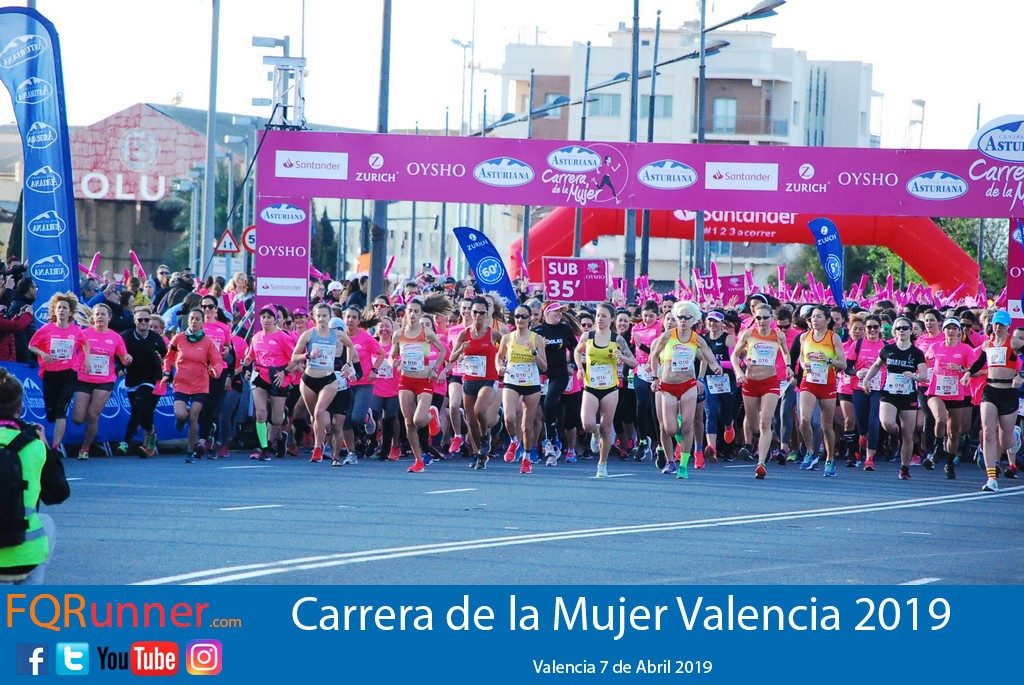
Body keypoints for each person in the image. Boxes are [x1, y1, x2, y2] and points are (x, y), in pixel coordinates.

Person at [0, 368, 70, 584]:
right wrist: (46, 447)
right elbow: (58, 494)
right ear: (20, 408)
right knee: (46, 522)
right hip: (23, 558)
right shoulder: (34, 445)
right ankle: (27, 607)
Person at [649, 301, 720, 479]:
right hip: (668, 386)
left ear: (693, 320)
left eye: (687, 318)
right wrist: (656, 377)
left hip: (688, 385)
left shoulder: (696, 338)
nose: (682, 321)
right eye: (679, 317)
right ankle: (671, 453)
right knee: (670, 429)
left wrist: (714, 365)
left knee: (688, 426)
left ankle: (683, 465)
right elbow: (654, 354)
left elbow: (707, 353)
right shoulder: (667, 336)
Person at [960, 309, 1024, 492]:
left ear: (1008, 326)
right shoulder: (988, 344)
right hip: (991, 391)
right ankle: (991, 478)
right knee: (988, 432)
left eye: (1002, 324)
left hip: (1009, 392)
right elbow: (980, 362)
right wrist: (967, 374)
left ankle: (1016, 437)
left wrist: (1021, 374)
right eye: (996, 324)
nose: (998, 327)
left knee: (1006, 442)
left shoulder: (1014, 341)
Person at [575, 302, 639, 478]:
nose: (600, 319)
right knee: (588, 423)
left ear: (611, 319)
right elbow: (577, 351)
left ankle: (602, 464)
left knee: (606, 427)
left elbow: (634, 363)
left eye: (604, 316)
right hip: (591, 385)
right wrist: (580, 367)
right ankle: (594, 433)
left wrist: (622, 357)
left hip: (610, 387)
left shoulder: (617, 339)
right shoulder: (588, 336)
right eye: (598, 315)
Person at [291, 303, 360, 464]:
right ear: (314, 318)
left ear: (330, 318)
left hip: (328, 380)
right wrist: (308, 355)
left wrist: (348, 364)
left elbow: (351, 346)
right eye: (319, 316)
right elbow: (294, 357)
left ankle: (317, 448)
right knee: (314, 417)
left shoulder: (337, 335)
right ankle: (318, 442)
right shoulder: (308, 335)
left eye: (325, 316)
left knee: (319, 413)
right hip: (308, 380)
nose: (321, 319)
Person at [389, 296, 450, 473]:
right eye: (410, 311)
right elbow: (392, 355)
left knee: (418, 420)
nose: (413, 314)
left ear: (421, 313)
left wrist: (435, 369)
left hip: (424, 380)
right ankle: (418, 460)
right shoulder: (398, 334)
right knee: (409, 423)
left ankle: (432, 416)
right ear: (405, 314)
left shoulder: (427, 333)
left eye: (417, 311)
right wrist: (394, 361)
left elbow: (443, 351)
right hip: (406, 380)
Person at [862, 316, 928, 480]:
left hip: (908, 395)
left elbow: (924, 376)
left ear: (911, 330)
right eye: (898, 328)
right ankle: (894, 433)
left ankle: (904, 468)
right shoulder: (888, 349)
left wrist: (913, 375)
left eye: (905, 328)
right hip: (889, 392)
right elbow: (877, 365)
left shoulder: (917, 352)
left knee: (908, 435)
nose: (901, 331)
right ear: (894, 331)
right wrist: (866, 379)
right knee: (887, 423)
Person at [730, 303, 791, 479]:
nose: (762, 321)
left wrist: (787, 366)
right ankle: (764, 439)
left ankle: (761, 463)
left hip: (770, 382)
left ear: (771, 318)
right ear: (754, 318)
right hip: (750, 382)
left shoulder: (777, 334)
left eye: (765, 317)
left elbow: (786, 353)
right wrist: (739, 372)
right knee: (754, 424)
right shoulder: (748, 334)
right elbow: (734, 355)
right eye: (758, 318)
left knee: (765, 423)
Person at [162, 308, 224, 462]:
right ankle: (183, 416)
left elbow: (218, 362)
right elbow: (168, 358)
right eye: (192, 319)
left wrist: (214, 370)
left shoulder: (208, 342)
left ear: (203, 322)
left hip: (200, 384)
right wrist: (166, 372)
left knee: (194, 417)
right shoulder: (178, 338)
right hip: (181, 382)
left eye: (198, 319)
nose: (194, 321)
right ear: (187, 321)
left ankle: (190, 450)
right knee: (181, 414)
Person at [71, 303, 132, 460]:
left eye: (103, 314)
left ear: (109, 318)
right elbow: (71, 350)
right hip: (84, 379)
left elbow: (124, 359)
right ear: (93, 317)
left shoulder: (116, 337)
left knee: (93, 414)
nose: (99, 317)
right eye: (97, 314)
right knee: (78, 419)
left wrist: (127, 359)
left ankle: (85, 448)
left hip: (105, 380)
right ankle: (86, 429)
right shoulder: (84, 334)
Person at [450, 296, 502, 470]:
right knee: (471, 420)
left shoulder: (493, 333)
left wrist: (503, 364)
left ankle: (486, 435)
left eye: (482, 312)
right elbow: (451, 358)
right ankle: (479, 454)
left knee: (480, 410)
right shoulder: (464, 334)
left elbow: (506, 351)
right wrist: (460, 349)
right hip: (469, 380)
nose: (478, 316)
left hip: (489, 378)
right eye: (475, 312)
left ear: (487, 314)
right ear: (470, 313)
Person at [496, 304, 548, 472]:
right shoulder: (507, 338)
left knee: (527, 426)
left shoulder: (536, 338)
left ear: (529, 319)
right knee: (509, 417)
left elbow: (545, 366)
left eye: (524, 316)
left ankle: (526, 457)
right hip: (511, 380)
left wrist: (534, 354)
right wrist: (499, 367)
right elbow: (499, 357)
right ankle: (513, 441)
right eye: (518, 316)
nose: (520, 320)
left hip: (531, 383)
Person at [796, 305, 847, 477]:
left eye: (819, 317)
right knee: (803, 420)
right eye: (813, 317)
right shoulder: (804, 337)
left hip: (827, 383)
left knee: (826, 427)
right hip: (808, 381)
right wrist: (804, 365)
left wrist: (828, 359)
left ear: (827, 320)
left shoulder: (834, 338)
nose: (815, 320)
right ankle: (811, 452)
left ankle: (830, 459)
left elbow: (843, 364)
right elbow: (802, 357)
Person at [244, 306, 298, 460]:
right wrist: (246, 361)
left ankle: (281, 438)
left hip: (278, 377)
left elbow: (294, 358)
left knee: (276, 419)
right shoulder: (256, 337)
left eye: (269, 317)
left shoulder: (283, 337)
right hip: (261, 376)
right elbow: (250, 356)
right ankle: (265, 447)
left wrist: (285, 372)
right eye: (263, 317)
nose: (266, 320)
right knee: (260, 414)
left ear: (275, 319)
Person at [924, 318, 974, 479]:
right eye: (948, 328)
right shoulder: (935, 347)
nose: (951, 331)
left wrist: (960, 369)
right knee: (940, 418)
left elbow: (972, 369)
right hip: (936, 392)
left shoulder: (965, 349)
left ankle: (950, 463)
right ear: (943, 330)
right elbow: (924, 361)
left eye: (954, 328)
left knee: (954, 433)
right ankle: (938, 446)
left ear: (959, 331)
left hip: (956, 393)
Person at [531, 301, 579, 465]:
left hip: (559, 374)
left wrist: (572, 364)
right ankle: (549, 441)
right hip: (541, 375)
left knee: (550, 403)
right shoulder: (537, 331)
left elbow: (575, 348)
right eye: (555, 313)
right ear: (546, 314)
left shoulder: (565, 330)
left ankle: (551, 442)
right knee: (542, 410)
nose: (559, 315)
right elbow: (527, 350)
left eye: (560, 313)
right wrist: (538, 348)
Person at [119, 306, 168, 457]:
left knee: (139, 407)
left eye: (146, 320)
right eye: (140, 319)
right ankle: (151, 432)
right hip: (132, 379)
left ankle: (126, 441)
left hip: (150, 379)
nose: (144, 323)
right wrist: (121, 365)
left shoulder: (156, 339)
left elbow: (167, 357)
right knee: (140, 411)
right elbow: (117, 353)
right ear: (135, 321)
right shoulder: (126, 336)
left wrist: (164, 369)